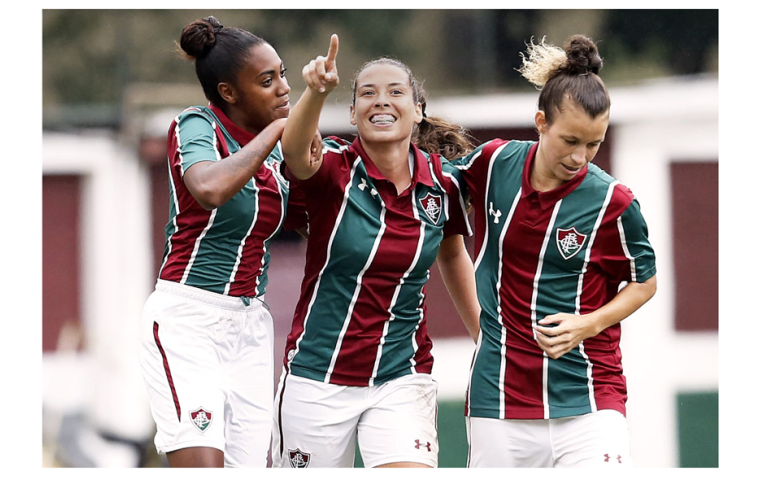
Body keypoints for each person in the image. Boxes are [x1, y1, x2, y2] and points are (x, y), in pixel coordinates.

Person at [445, 35, 657, 468]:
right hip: (498, 397)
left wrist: (588, 323)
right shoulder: (494, 162)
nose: (580, 157)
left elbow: (645, 282)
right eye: (570, 140)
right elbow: (425, 191)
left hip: (589, 398)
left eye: (594, 144)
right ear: (541, 121)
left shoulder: (613, 202)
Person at [270, 34, 480, 468]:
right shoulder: (333, 169)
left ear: (417, 109)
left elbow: (453, 252)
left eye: (395, 92)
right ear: (352, 113)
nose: (380, 102)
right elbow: (294, 150)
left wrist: (485, 336)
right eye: (367, 93)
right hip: (317, 375)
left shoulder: (443, 183)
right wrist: (316, 91)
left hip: (401, 375)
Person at [137, 16, 317, 468]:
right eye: (266, 80)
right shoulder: (196, 124)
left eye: (283, 75)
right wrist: (277, 131)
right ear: (228, 93)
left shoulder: (279, 152)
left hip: (251, 327)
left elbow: (315, 225)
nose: (283, 89)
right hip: (188, 319)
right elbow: (210, 188)